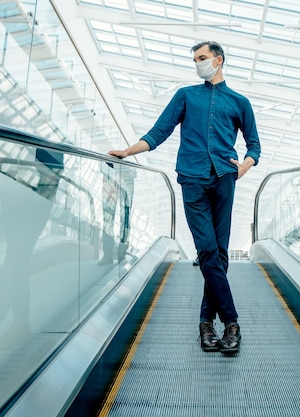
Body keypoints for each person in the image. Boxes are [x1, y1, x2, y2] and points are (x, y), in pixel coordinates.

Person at [108, 41, 261, 355]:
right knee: (207, 249)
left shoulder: (239, 102)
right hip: (192, 178)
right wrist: (128, 150)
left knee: (218, 252)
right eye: (195, 60)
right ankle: (231, 323)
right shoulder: (185, 95)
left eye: (202, 58)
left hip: (224, 178)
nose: (198, 64)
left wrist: (246, 164)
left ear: (218, 61)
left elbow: (254, 145)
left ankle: (206, 323)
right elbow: (159, 131)